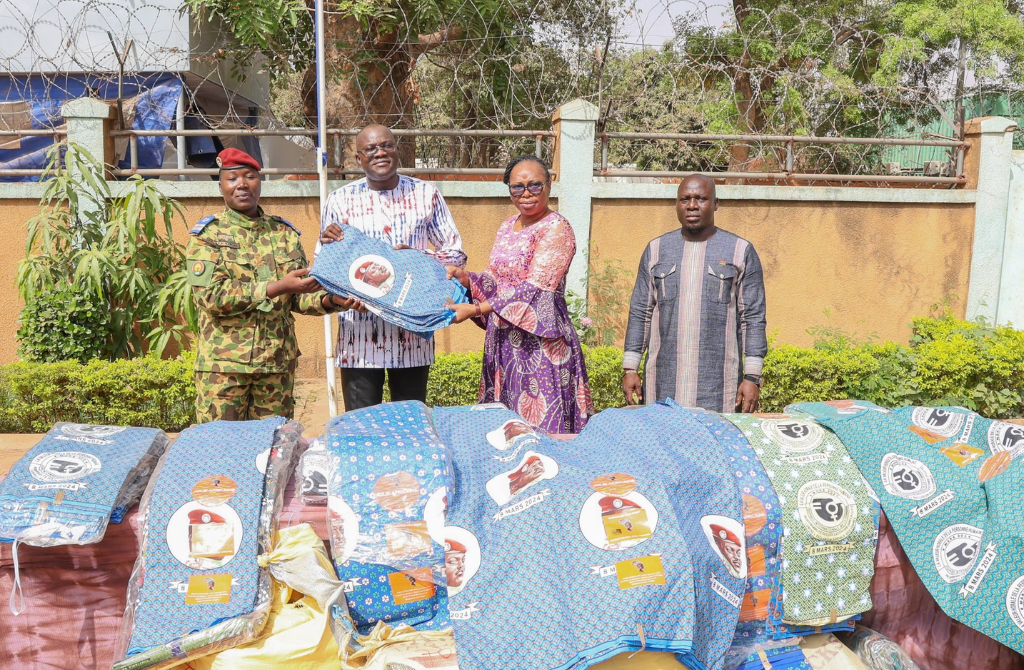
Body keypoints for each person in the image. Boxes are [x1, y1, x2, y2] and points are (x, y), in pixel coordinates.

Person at [186, 148, 362, 422]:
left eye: (250, 176)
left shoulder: (283, 233)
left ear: (260, 182)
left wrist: (333, 301)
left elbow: (299, 297)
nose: (242, 184)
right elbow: (211, 297)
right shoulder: (208, 236)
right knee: (218, 452)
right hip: (223, 368)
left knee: (272, 451)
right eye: (232, 178)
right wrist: (277, 286)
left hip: (276, 366)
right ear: (220, 186)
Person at [318, 124, 466, 411]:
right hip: (358, 338)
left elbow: (455, 255)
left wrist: (418, 257)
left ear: (397, 150)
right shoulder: (339, 200)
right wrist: (334, 268)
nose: (380, 153)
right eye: (370, 149)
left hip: (412, 336)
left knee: (410, 425)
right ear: (358, 158)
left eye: (386, 145)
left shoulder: (426, 194)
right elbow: (325, 263)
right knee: (361, 428)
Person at [446, 155, 594, 433]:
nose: (526, 193)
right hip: (504, 339)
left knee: (544, 427)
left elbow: (536, 287)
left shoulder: (557, 228)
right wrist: (466, 278)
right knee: (505, 428)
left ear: (549, 186)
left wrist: (476, 310)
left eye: (534, 185)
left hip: (541, 344)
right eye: (517, 187)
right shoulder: (506, 226)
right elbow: (494, 278)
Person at [622, 175, 767, 412]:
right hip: (662, 386)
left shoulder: (740, 251)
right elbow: (640, 312)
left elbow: (752, 317)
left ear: (716, 203)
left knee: (716, 449)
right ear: (677, 204)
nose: (692, 205)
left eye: (701, 199)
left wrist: (752, 377)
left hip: (720, 390)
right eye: (685, 199)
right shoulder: (656, 250)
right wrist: (630, 369)